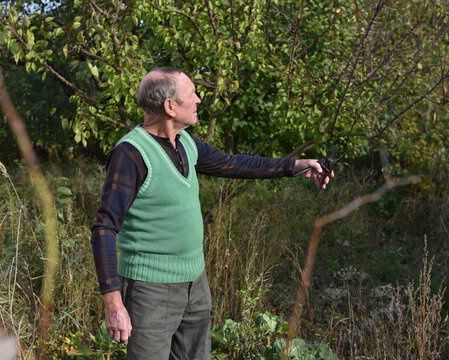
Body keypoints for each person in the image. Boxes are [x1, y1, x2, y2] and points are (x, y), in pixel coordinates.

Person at [90, 67, 333, 360]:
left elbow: (234, 164)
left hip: (195, 282)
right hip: (149, 290)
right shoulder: (130, 155)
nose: (199, 100)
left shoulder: (186, 143)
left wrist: (295, 165)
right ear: (170, 106)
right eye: (192, 94)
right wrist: (113, 303)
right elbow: (104, 228)